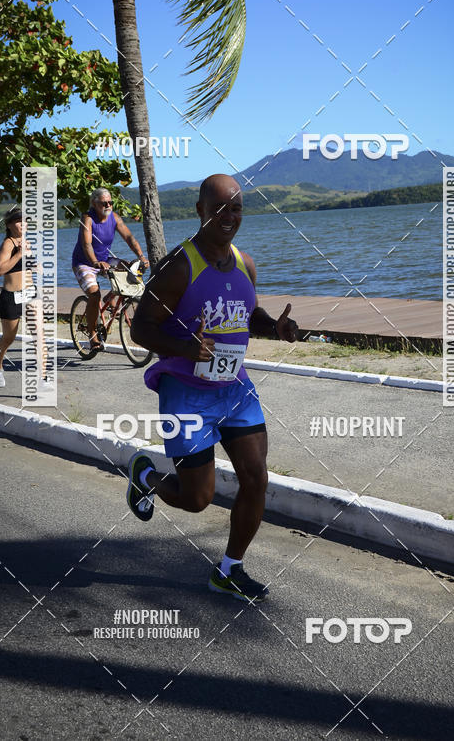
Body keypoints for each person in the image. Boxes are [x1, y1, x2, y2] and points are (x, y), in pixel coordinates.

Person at [127, 174, 297, 602]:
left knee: (256, 478)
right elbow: (140, 328)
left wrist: (273, 327)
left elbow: (247, 314)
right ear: (201, 210)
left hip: (235, 389)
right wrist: (187, 347)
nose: (228, 216)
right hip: (187, 394)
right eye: (219, 208)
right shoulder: (178, 266)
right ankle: (145, 476)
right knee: (197, 498)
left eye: (236, 208)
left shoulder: (244, 263)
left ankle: (229, 570)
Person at [71, 188, 149, 350]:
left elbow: (129, 238)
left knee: (129, 269)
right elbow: (86, 244)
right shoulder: (88, 218)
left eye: (110, 202)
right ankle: (93, 335)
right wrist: (95, 262)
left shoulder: (114, 217)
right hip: (84, 263)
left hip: (105, 260)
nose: (108, 205)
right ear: (94, 204)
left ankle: (111, 297)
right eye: (104, 203)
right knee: (94, 294)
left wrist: (141, 256)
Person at [0, 207, 45, 387]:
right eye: (18, 221)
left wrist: (34, 265)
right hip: (11, 296)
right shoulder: (8, 244)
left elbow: (21, 266)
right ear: (9, 225)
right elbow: (0, 269)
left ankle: (42, 379)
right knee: (8, 338)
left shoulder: (26, 241)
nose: (23, 224)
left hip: (31, 293)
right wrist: (20, 254)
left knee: (39, 335)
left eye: (25, 221)